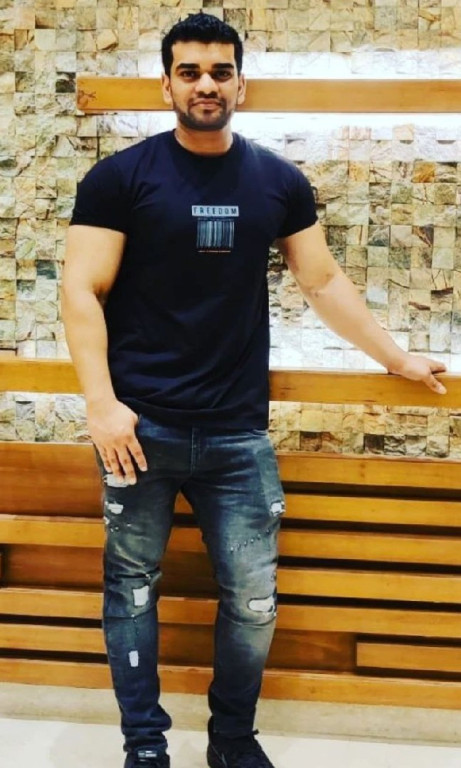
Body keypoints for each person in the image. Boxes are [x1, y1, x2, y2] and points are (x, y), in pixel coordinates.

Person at [62, 12, 447, 768]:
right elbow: (82, 290)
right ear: (166, 84)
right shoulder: (119, 178)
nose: (205, 84)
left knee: (252, 599)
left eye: (220, 71)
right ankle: (145, 748)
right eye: (189, 72)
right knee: (131, 590)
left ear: (241, 84)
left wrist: (396, 357)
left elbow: (322, 281)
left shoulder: (277, 180)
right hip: (137, 431)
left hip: (237, 433)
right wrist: (101, 405)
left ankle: (232, 741)